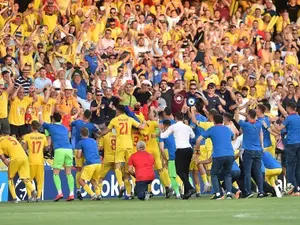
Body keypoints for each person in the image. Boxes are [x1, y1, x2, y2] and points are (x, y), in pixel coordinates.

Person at [100, 105, 145, 199]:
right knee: (129, 169)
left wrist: (99, 133)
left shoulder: (115, 120)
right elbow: (141, 127)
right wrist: (143, 120)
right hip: (129, 145)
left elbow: (106, 131)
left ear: (117, 110)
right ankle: (134, 187)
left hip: (120, 146)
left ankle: (121, 185)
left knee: (117, 167)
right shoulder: (129, 119)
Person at [195, 114, 235, 200]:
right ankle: (228, 193)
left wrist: (197, 150)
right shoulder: (227, 129)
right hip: (230, 154)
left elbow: (198, 139)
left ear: (214, 121)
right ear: (222, 121)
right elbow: (234, 136)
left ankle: (218, 193)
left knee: (214, 173)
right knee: (227, 174)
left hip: (218, 154)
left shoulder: (212, 129)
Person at [38, 111, 74, 201]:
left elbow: (41, 122)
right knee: (69, 173)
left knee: (56, 173)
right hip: (69, 150)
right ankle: (71, 194)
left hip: (59, 150)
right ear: (60, 119)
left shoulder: (51, 126)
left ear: (53, 119)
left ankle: (59, 193)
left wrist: (40, 111)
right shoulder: (65, 128)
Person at [160, 112, 195, 199]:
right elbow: (193, 136)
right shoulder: (187, 127)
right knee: (186, 171)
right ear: (183, 118)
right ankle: (187, 193)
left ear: (175, 118)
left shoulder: (174, 126)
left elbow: (164, 136)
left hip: (180, 150)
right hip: (189, 149)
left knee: (179, 171)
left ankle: (190, 188)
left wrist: (160, 130)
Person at [0, 123, 37, 203]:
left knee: (10, 178)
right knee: (25, 178)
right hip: (24, 157)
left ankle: (14, 198)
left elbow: (3, 158)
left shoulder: (0, 142)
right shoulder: (13, 138)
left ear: (1, 134)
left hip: (15, 158)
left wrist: (9, 166)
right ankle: (33, 190)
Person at [235, 108, 266, 198]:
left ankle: (248, 192)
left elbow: (236, 118)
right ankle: (261, 191)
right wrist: (261, 146)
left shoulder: (245, 125)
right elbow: (261, 135)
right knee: (258, 172)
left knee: (247, 172)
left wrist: (238, 109)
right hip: (258, 150)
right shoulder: (259, 124)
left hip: (248, 150)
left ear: (248, 116)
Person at [70, 109, 100, 200]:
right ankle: (97, 193)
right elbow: (99, 132)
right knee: (90, 176)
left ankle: (78, 189)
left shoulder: (78, 122)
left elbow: (71, 122)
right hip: (88, 149)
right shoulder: (91, 126)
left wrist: (78, 114)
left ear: (83, 115)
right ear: (90, 117)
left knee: (79, 170)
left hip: (79, 147)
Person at [273, 102, 300, 195]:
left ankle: (294, 189)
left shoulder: (289, 119)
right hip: (299, 143)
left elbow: (279, 128)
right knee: (298, 166)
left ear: (289, 108)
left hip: (291, 144)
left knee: (290, 167)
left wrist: (273, 122)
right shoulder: (299, 117)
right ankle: (298, 187)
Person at [22, 120, 48, 202]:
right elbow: (46, 148)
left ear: (31, 127)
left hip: (31, 160)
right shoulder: (43, 136)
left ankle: (30, 196)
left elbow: (23, 148)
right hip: (40, 161)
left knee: (28, 179)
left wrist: (27, 151)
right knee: (40, 181)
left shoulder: (26, 136)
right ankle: (39, 197)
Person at [77, 127, 102, 201]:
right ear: (88, 133)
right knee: (93, 180)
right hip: (98, 163)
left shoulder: (80, 142)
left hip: (90, 163)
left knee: (80, 180)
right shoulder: (93, 141)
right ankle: (98, 194)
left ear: (81, 134)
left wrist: (83, 154)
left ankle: (92, 194)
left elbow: (78, 155)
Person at [159, 119, 180, 199]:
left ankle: (175, 190)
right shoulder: (175, 132)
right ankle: (182, 188)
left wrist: (165, 158)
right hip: (180, 154)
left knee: (170, 174)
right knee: (180, 173)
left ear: (163, 125)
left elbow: (161, 148)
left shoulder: (163, 134)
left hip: (170, 156)